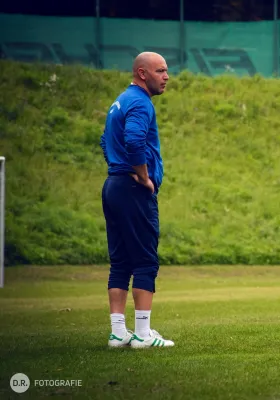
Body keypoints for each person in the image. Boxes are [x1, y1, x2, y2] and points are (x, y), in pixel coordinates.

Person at [100, 52, 174, 348]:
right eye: (160, 71)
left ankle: (118, 332)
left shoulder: (120, 101)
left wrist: (118, 168)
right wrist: (143, 177)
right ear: (143, 74)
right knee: (145, 259)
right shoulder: (141, 103)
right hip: (132, 191)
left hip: (113, 186)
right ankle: (143, 334)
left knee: (120, 261)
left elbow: (106, 140)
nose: (166, 76)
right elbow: (133, 140)